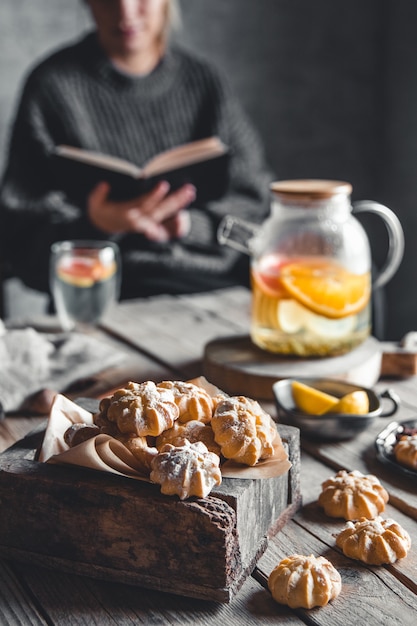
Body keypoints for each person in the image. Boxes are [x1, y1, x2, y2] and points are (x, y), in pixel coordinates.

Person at [0, 0, 272, 301]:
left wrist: (188, 225)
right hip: (101, 291)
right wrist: (96, 225)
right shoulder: (52, 87)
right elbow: (19, 237)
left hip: (208, 285)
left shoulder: (206, 84)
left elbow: (258, 217)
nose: (126, 12)